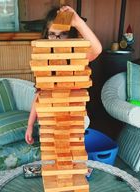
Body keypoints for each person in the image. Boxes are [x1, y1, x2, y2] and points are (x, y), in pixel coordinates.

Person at [25, 5, 102, 144]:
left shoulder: (77, 56)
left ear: (71, 35)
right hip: (51, 116)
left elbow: (96, 49)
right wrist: (30, 125)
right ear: (46, 35)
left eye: (63, 34)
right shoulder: (44, 61)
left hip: (75, 117)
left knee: (72, 150)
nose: (57, 39)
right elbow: (39, 95)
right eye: (52, 34)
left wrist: (78, 23)